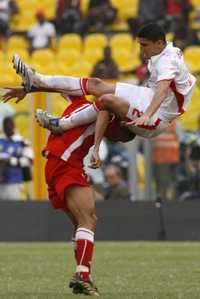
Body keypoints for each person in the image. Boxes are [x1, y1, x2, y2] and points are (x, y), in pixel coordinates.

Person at [0, 116, 33, 200]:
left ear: (13, 125)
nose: (7, 127)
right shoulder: (1, 140)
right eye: (4, 125)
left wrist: (11, 161)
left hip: (14, 182)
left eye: (8, 125)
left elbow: (29, 160)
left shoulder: (21, 142)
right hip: (1, 180)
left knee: (12, 209)